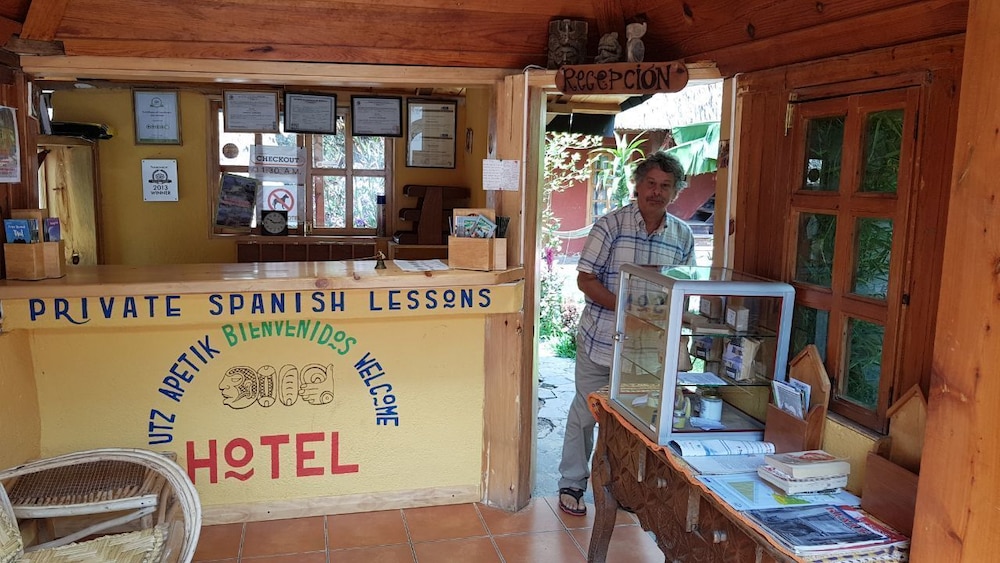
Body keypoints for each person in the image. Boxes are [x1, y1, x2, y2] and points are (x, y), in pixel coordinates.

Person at [557, 152, 695, 516]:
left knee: (636, 421)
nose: (657, 192)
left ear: (676, 191)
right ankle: (572, 482)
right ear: (637, 185)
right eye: (651, 183)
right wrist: (626, 309)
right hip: (601, 341)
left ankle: (624, 489)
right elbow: (585, 278)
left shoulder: (682, 235)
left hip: (647, 349)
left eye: (666, 186)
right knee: (587, 415)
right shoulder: (611, 225)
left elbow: (685, 288)